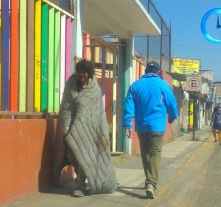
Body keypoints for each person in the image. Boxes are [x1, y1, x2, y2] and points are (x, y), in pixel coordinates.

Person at [53, 59, 117, 197]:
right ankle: (72, 178)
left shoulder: (94, 90)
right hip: (70, 129)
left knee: (85, 154)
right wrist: (67, 125)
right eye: (79, 71)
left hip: (90, 132)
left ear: (89, 73)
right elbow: (66, 107)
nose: (81, 74)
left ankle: (80, 185)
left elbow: (96, 113)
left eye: (84, 72)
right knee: (70, 154)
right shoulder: (71, 85)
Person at [123, 61, 178, 199]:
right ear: (159, 72)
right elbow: (171, 103)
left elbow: (128, 107)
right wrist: (172, 117)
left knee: (145, 154)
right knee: (155, 154)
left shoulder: (135, 86)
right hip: (158, 127)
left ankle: (149, 180)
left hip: (141, 127)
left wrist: (128, 125)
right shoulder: (163, 85)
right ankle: (151, 183)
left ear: (146, 71)